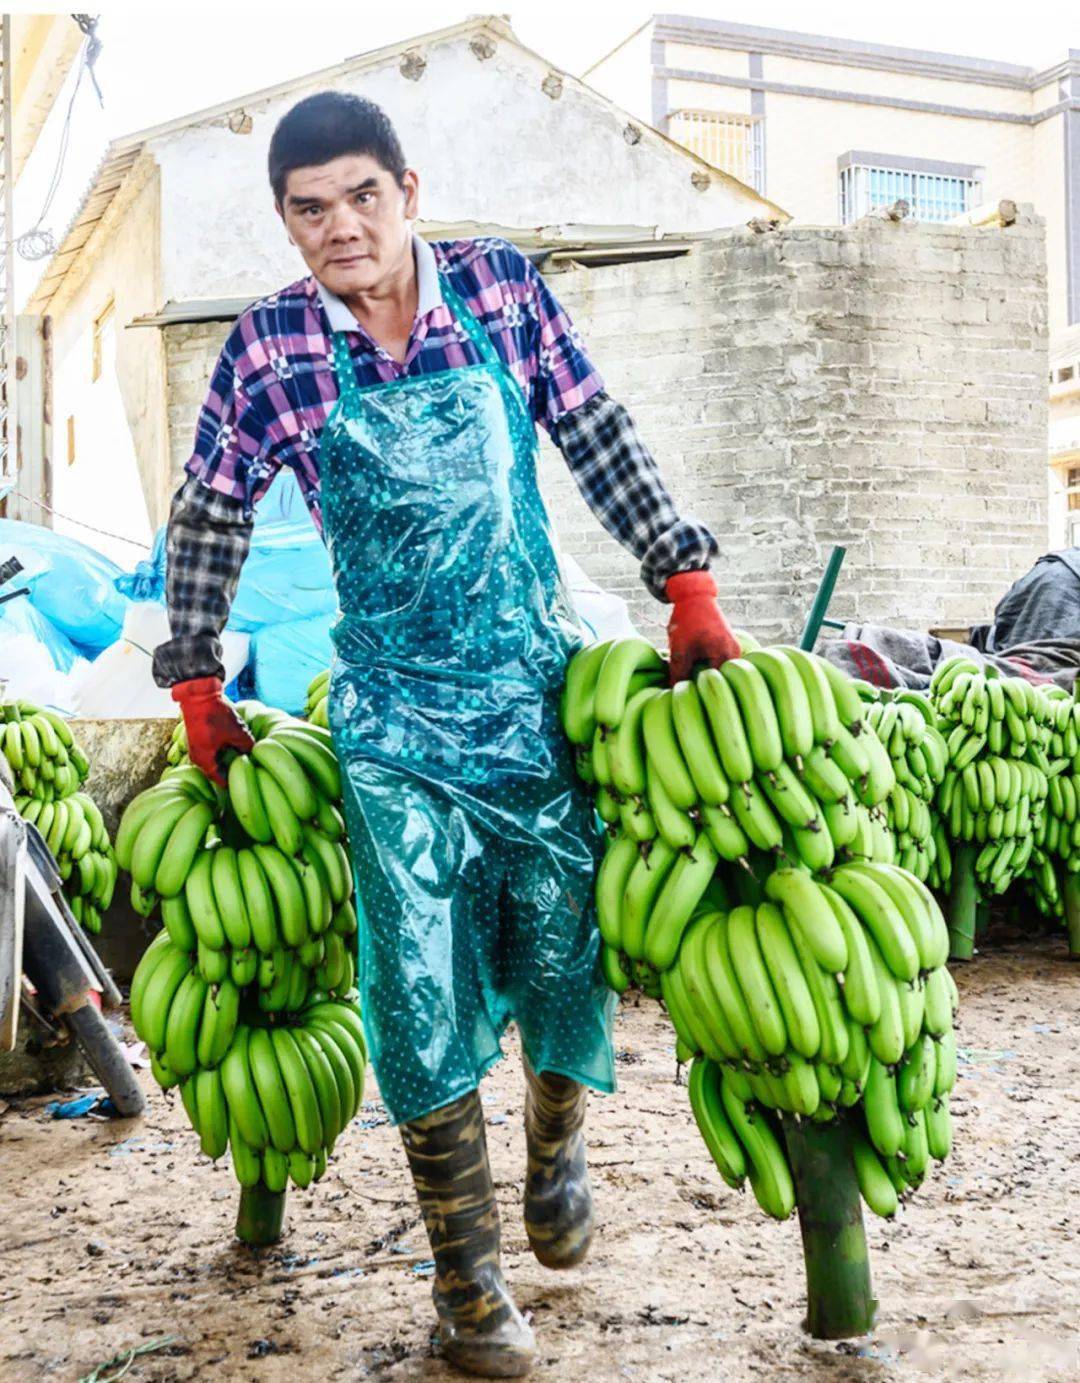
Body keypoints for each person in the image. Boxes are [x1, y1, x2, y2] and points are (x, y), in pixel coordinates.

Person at [153, 92, 737, 1378]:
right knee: (414, 990)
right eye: (311, 208)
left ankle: (556, 1135)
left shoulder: (502, 290)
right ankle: (468, 1279)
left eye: (362, 196)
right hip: (391, 716)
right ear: (287, 221)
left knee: (562, 946)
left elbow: (594, 431)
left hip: (535, 690)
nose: (340, 226)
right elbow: (208, 515)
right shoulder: (269, 350)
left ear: (407, 191)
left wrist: (680, 577)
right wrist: (196, 674)